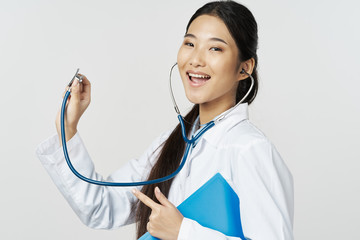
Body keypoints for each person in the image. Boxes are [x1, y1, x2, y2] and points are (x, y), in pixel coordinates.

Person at [36, 1, 294, 239]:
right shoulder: (173, 143)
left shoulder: (250, 150)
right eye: (190, 44)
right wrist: (67, 128)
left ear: (244, 68)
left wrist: (183, 232)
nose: (196, 60)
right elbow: (101, 206)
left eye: (215, 48)